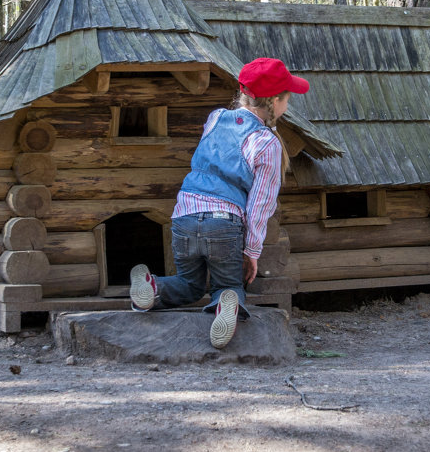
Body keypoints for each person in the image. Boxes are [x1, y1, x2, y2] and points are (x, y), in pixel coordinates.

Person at [128, 57, 309, 349]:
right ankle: (226, 304)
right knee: (228, 285)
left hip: (184, 214)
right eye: (287, 98)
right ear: (274, 101)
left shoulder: (215, 118)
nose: (288, 105)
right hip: (223, 221)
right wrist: (252, 251)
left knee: (189, 284)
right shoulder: (267, 143)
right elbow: (260, 205)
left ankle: (153, 287)